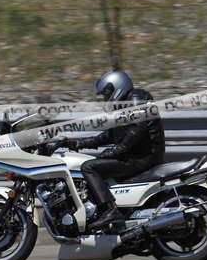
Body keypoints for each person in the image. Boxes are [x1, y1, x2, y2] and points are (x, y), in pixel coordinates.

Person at [63, 70, 165, 231]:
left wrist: (114, 151)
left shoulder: (136, 99)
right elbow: (109, 135)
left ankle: (109, 211)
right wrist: (76, 143)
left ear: (116, 87)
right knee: (92, 164)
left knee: (89, 167)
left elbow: (137, 131)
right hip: (139, 155)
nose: (105, 99)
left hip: (142, 157)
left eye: (106, 94)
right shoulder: (126, 105)